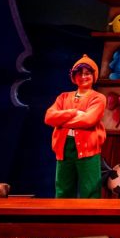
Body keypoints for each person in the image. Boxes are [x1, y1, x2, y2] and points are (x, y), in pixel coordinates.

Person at [44, 55, 107, 198]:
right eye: (79, 73)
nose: (83, 77)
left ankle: (89, 213)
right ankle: (63, 213)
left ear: (94, 76)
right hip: (64, 147)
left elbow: (89, 120)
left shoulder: (98, 98)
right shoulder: (63, 97)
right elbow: (49, 117)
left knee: (90, 189)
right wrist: (73, 112)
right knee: (63, 189)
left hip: (88, 147)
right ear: (73, 76)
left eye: (87, 73)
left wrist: (61, 120)